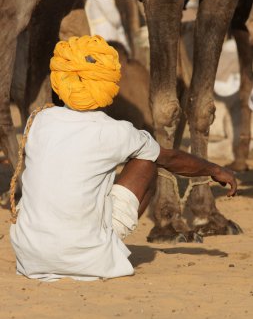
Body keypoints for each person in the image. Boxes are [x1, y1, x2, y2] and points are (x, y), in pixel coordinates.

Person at [10, 35, 237, 282]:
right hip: (90, 261)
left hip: (29, 257)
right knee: (148, 159)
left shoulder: (38, 120)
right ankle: (106, 242)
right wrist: (214, 169)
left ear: (61, 79)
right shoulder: (116, 132)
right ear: (109, 82)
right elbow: (171, 158)